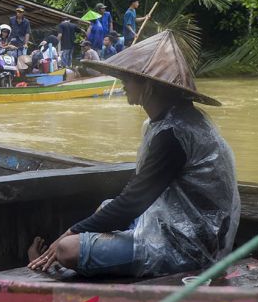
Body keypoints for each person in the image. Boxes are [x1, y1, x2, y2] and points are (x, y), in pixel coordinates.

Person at [28, 30, 239, 278]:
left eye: (128, 79)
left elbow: (131, 204)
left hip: (187, 247)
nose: (123, 84)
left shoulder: (173, 135)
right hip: (179, 228)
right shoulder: (175, 121)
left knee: (67, 249)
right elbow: (135, 193)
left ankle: (51, 264)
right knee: (104, 207)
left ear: (148, 86)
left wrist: (68, 234)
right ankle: (62, 261)